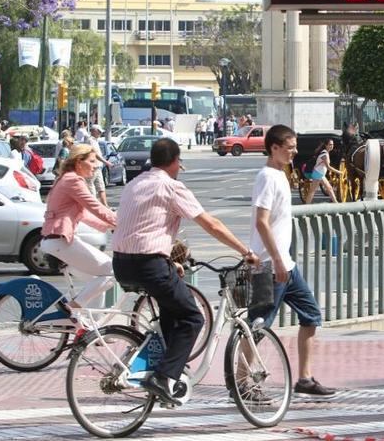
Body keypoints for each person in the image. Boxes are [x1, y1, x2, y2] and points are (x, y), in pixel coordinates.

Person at [111, 138, 258, 406]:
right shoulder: (171, 187)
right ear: (175, 161)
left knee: (171, 312)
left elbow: (141, 225)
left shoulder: (134, 183)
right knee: (193, 318)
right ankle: (165, 377)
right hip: (149, 264)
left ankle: (164, 367)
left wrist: (168, 260)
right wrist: (244, 251)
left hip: (122, 263)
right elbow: (210, 223)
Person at [248, 124, 335, 395]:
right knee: (258, 325)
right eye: (290, 147)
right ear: (274, 148)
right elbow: (261, 222)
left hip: (286, 264)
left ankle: (305, 378)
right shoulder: (267, 177)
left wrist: (282, 260)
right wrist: (275, 260)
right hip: (269, 265)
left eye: (295, 147)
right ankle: (241, 381)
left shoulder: (280, 175)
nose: (294, 152)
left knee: (311, 315)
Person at [40, 144, 117, 308]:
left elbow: (85, 215)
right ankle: (71, 308)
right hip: (60, 242)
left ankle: (89, 328)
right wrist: (123, 223)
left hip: (54, 242)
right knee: (113, 271)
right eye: (92, 161)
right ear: (78, 162)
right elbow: (94, 206)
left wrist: (111, 225)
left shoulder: (65, 179)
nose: (96, 165)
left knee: (97, 282)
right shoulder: (73, 180)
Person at [303, 139, 341, 204]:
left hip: (319, 174)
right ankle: (307, 206)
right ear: (326, 145)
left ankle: (336, 203)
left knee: (329, 188)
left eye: (332, 144)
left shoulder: (325, 152)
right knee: (313, 191)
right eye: (330, 144)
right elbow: (328, 167)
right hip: (318, 174)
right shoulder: (325, 154)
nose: (331, 146)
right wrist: (338, 172)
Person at [86, 125, 112, 206]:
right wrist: (106, 162)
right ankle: (94, 206)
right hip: (93, 167)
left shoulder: (95, 140)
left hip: (98, 167)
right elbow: (95, 154)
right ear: (93, 131)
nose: (100, 133)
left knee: (101, 187)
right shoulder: (90, 140)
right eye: (99, 131)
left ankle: (105, 206)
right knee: (91, 187)